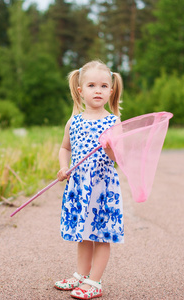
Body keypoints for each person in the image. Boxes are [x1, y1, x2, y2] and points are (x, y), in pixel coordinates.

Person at [54, 60, 124, 299]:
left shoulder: (113, 122)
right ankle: (81, 276)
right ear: (80, 90)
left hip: (103, 186)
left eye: (104, 86)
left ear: (111, 92)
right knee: (83, 233)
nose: (98, 90)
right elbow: (65, 148)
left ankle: (95, 282)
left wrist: (110, 147)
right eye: (92, 85)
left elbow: (119, 158)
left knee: (101, 235)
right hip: (80, 186)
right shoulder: (73, 121)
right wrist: (64, 168)